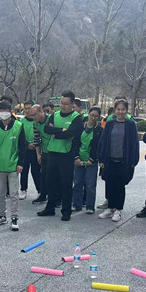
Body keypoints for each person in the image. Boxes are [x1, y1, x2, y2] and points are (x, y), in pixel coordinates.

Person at [37, 90, 83, 221]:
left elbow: (71, 134)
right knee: (50, 181)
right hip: (52, 152)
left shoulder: (76, 118)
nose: (63, 106)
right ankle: (50, 208)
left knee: (66, 183)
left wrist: (56, 133)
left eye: (66, 103)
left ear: (72, 104)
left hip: (66, 155)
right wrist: (59, 131)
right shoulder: (55, 115)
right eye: (61, 103)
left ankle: (66, 211)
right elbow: (47, 129)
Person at [97, 98, 139, 222]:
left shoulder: (131, 125)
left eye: (123, 109)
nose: (120, 112)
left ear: (126, 110)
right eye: (118, 109)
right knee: (109, 184)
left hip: (123, 161)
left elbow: (134, 144)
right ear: (114, 110)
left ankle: (118, 210)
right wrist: (101, 158)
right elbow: (103, 142)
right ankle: (110, 208)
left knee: (120, 186)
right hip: (110, 160)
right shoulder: (110, 124)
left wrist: (133, 161)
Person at [0, 101, 26, 231]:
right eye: (1, 110)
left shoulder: (19, 126)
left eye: (6, 110)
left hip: (13, 165)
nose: (4, 113)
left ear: (10, 112)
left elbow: (23, 146)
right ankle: (1, 215)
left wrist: (21, 163)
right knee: (1, 193)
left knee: (14, 194)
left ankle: (14, 217)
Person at [72, 106, 103, 214]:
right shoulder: (80, 127)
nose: (93, 118)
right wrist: (76, 157)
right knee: (77, 183)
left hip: (91, 162)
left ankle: (90, 206)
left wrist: (92, 159)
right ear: (88, 114)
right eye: (91, 115)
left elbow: (98, 146)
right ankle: (76, 204)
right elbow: (75, 142)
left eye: (96, 116)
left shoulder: (99, 130)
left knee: (90, 185)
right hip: (79, 159)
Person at [18, 100, 40, 200]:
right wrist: (27, 145)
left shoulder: (38, 121)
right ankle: (23, 189)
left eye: (29, 108)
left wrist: (35, 145)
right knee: (24, 170)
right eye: (25, 108)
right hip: (25, 149)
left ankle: (40, 190)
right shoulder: (21, 122)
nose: (27, 111)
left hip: (36, 149)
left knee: (36, 171)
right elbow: (20, 137)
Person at [32, 102, 53, 204]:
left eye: (35, 114)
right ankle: (43, 195)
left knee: (53, 176)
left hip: (54, 151)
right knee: (43, 175)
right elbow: (36, 139)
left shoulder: (51, 119)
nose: (34, 117)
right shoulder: (35, 123)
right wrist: (38, 154)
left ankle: (56, 197)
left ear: (41, 112)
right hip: (44, 151)